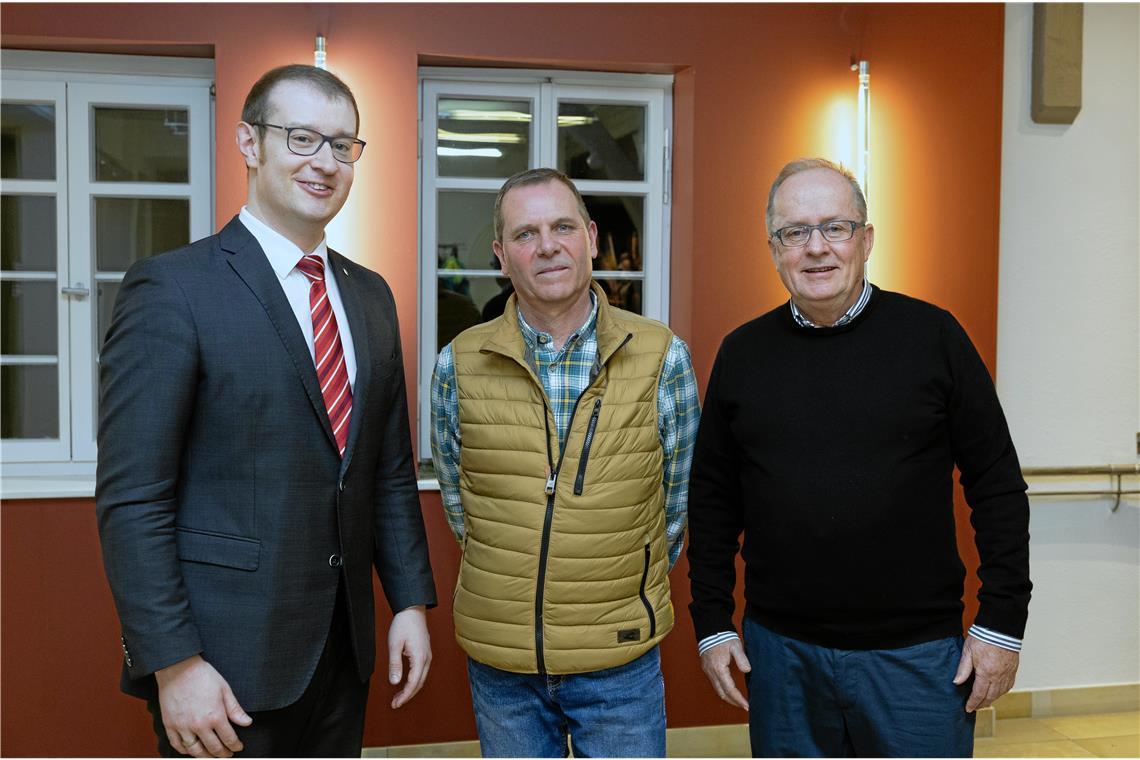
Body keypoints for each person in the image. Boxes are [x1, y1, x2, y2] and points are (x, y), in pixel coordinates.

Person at [96, 64, 436, 758]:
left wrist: (407, 602)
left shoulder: (370, 297)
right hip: (222, 668)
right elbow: (134, 498)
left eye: (343, 145)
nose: (326, 162)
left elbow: (388, 471)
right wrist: (173, 662)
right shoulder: (173, 288)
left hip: (343, 656)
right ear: (249, 143)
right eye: (303, 138)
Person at [687, 157, 1031, 757]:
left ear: (866, 239)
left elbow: (998, 486)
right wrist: (713, 623)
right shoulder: (742, 354)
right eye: (794, 232)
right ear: (773, 249)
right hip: (782, 655)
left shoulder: (934, 337)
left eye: (835, 228)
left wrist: (1001, 623)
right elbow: (712, 500)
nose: (815, 248)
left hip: (917, 659)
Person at [430, 167, 700, 757]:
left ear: (592, 237)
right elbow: (462, 505)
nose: (547, 245)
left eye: (562, 227)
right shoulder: (459, 363)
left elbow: (674, 505)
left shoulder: (662, 356)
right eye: (525, 234)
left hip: (619, 659)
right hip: (504, 666)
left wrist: (623, 581)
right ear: (502, 256)